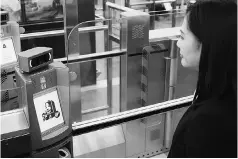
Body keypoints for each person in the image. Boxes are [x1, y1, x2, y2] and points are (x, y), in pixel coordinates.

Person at [168, 0, 237, 157]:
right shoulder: (226, 97)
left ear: (206, 43)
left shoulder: (207, 123)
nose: (178, 43)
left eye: (182, 37)